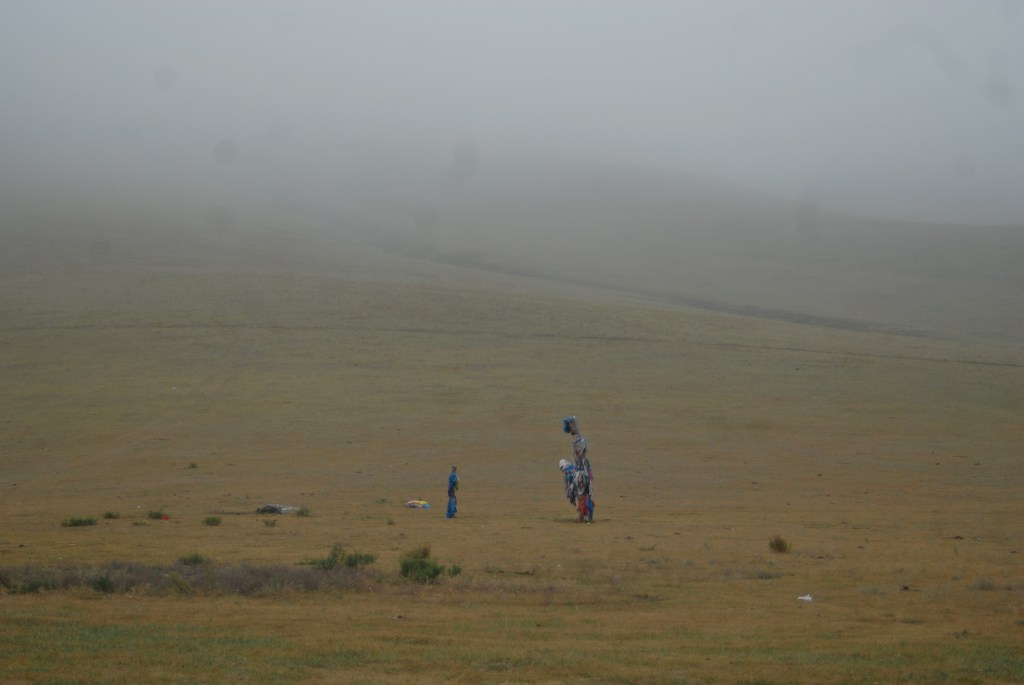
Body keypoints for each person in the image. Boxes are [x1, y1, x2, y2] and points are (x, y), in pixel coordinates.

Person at [562, 416, 594, 522]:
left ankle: (583, 517)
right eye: (571, 424)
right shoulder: (579, 439)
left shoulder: (578, 440)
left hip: (581, 469)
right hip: (583, 469)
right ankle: (584, 516)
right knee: (583, 493)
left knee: (581, 493)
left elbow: (580, 455)